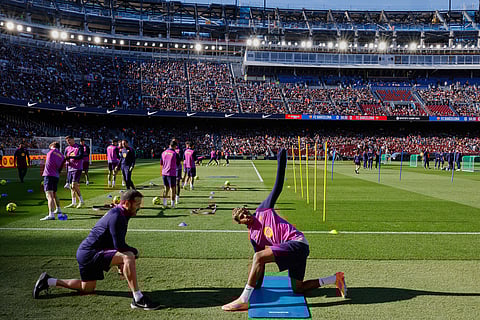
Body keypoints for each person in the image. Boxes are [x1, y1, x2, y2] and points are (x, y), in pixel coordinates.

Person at [221, 149, 347, 312]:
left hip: (297, 243)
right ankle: (335, 279)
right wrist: (257, 285)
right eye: (242, 216)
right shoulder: (253, 236)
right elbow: (261, 265)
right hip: (293, 252)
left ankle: (244, 299)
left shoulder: (263, 209)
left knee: (258, 256)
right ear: (240, 222)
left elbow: (278, 187)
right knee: (298, 288)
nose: (246, 214)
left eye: (245, 211)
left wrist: (282, 162)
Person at [33, 190, 160, 310]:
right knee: (129, 256)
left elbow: (112, 241)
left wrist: (119, 262)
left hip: (85, 253)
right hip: (90, 253)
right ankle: (138, 298)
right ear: (127, 203)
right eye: (137, 204)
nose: (139, 207)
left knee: (87, 288)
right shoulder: (118, 216)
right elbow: (119, 246)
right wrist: (134, 252)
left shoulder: (121, 213)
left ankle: (48, 281)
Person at [40, 142, 66, 221]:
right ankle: (58, 209)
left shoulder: (50, 152)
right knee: (54, 194)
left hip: (49, 175)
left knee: (49, 195)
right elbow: (61, 167)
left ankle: (51, 214)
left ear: (53, 146)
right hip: (56, 176)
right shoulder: (61, 155)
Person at [64, 136, 85, 208]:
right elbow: (65, 157)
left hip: (77, 168)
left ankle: (81, 201)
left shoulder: (79, 147)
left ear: (73, 139)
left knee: (74, 185)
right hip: (70, 168)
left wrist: (70, 157)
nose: (68, 142)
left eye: (69, 140)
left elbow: (80, 156)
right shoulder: (67, 148)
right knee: (71, 187)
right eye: (67, 141)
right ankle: (73, 202)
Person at [160, 139, 180, 208]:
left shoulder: (163, 153)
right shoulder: (175, 154)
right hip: (171, 173)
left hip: (164, 173)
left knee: (166, 188)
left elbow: (161, 163)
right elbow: (178, 164)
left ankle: (164, 203)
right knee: (173, 189)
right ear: (174, 146)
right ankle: (172, 204)